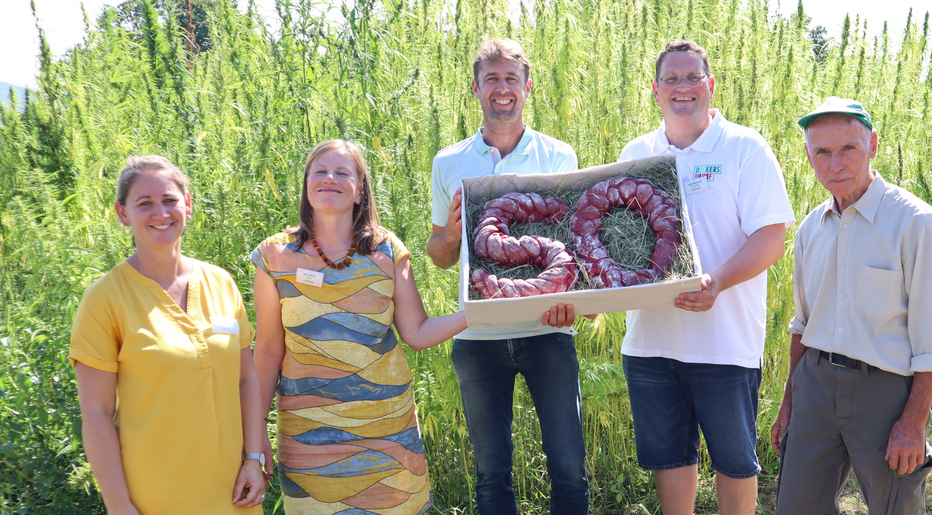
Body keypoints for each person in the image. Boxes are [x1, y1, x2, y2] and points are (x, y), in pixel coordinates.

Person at [616, 40, 795, 515]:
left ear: (710, 86)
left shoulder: (744, 149)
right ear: (655, 91)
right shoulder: (636, 153)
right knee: (670, 459)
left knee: (734, 463)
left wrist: (717, 282)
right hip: (651, 343)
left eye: (693, 77)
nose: (683, 88)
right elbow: (619, 238)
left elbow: (770, 240)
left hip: (725, 343)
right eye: (671, 79)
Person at [252, 139, 467, 514]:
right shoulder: (275, 257)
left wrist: (477, 313)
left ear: (360, 190)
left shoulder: (387, 252)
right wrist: (255, 437)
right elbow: (268, 351)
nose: (329, 178)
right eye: (319, 171)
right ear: (306, 185)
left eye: (341, 172)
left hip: (387, 436)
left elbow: (416, 332)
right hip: (310, 441)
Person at [770, 97, 932, 515]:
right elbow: (802, 325)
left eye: (848, 149)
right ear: (809, 156)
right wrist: (789, 403)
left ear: (873, 145)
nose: (834, 163)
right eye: (822, 151)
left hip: (885, 391)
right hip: (815, 387)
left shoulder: (915, 222)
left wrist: (913, 422)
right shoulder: (809, 230)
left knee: (895, 507)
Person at [427, 38, 589, 513]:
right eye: (492, 79)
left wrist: (573, 302)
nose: (502, 89)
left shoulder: (559, 156)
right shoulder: (448, 162)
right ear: (475, 88)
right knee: (491, 473)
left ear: (527, 87)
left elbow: (568, 246)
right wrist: (453, 233)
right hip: (478, 337)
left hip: (548, 330)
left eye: (511, 79)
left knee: (568, 468)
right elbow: (438, 254)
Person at [70, 155, 267, 515]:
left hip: (235, 494)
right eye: (144, 203)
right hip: (156, 497)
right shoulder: (105, 299)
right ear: (122, 213)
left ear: (188, 204)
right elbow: (96, 414)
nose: (160, 213)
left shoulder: (220, 282)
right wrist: (118, 505)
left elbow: (247, 380)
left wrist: (254, 457)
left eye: (170, 200)